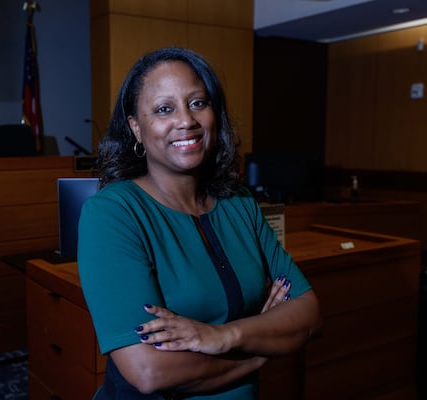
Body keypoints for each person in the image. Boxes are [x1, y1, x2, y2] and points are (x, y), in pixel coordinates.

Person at [77, 47, 321, 400]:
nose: (186, 121)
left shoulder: (240, 202)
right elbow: (148, 371)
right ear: (136, 128)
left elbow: (309, 313)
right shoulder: (112, 213)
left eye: (197, 103)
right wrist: (258, 351)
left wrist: (222, 336)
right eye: (164, 109)